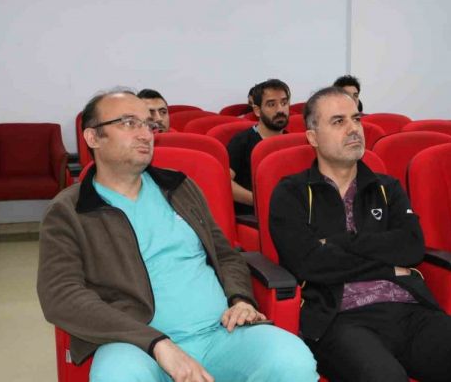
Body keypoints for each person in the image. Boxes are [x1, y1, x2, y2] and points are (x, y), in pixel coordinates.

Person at [37, 88, 316, 382]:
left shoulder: (179, 187)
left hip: (220, 332)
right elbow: (60, 295)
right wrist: (157, 343)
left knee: (293, 360)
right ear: (93, 137)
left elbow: (225, 254)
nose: (145, 134)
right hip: (134, 344)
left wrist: (240, 299)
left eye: (148, 124)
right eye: (129, 123)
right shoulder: (70, 210)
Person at [269, 86, 451, 382]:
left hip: (407, 308)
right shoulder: (292, 192)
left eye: (356, 119)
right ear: (313, 137)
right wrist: (388, 267)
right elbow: (309, 263)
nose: (353, 129)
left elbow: (411, 247)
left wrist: (341, 243)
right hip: (338, 318)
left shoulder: (386, 187)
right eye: (338, 121)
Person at [227, 78, 290, 215]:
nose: (280, 109)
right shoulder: (241, 141)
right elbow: (225, 183)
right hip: (253, 215)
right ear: (257, 110)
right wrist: (259, 201)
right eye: (271, 104)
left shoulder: (292, 141)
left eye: (284, 103)